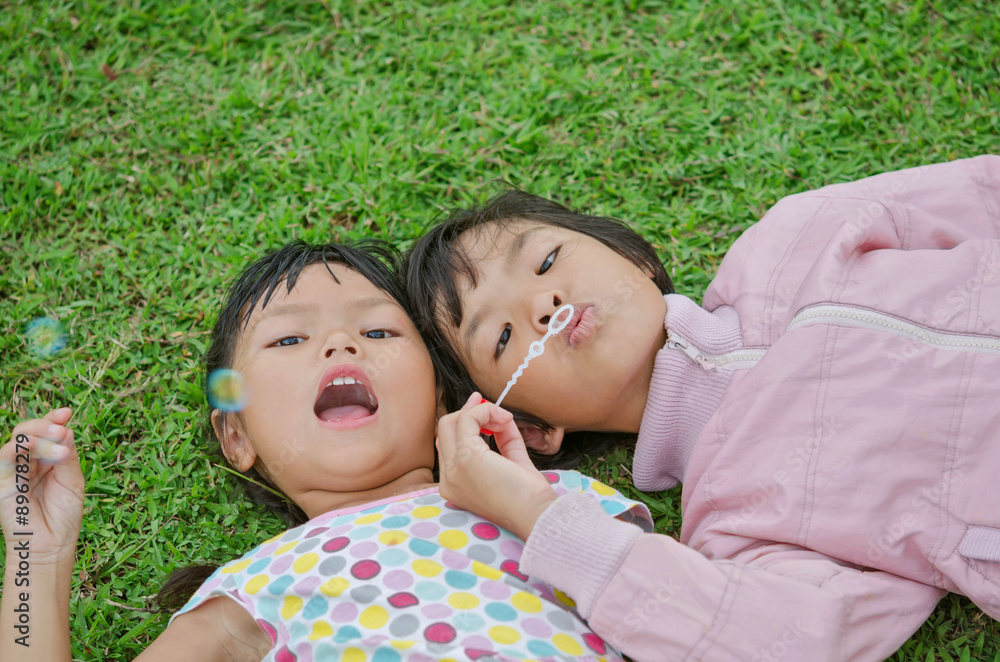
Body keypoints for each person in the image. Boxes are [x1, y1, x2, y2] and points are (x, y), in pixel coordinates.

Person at [403, 155, 1000, 661]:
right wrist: (539, 516)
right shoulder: (738, 527)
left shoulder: (795, 239)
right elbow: (790, 639)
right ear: (532, 428)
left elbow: (980, 194)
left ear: (631, 256)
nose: (544, 300)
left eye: (546, 260)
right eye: (502, 337)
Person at [0, 240, 650, 662]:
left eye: (377, 329)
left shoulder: (548, 501)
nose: (341, 347)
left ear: (443, 403)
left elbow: (702, 617)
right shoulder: (253, 586)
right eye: (287, 341)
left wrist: (533, 506)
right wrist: (37, 550)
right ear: (237, 435)